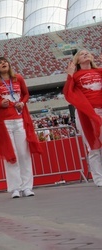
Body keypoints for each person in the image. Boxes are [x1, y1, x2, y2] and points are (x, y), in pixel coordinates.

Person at [0, 57, 41, 198]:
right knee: (11, 155)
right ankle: (15, 188)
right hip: (4, 123)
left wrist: (22, 102)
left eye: (5, 62)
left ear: (9, 64)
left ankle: (27, 187)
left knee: (23, 154)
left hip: (20, 119)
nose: (3, 64)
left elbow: (26, 94)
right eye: (0, 63)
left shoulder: (18, 78)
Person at [63, 49, 102, 187]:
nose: (85, 54)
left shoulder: (99, 71)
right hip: (86, 115)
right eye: (82, 53)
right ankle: (98, 179)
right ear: (77, 60)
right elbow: (67, 93)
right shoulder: (75, 76)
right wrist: (69, 74)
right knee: (93, 147)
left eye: (88, 52)